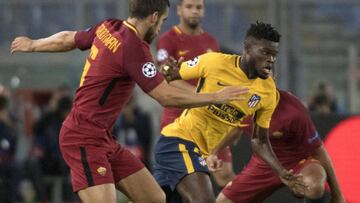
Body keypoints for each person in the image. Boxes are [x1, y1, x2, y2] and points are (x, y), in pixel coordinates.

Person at [10, 0, 248, 202]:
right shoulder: (133, 47)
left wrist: (33, 44)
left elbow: (69, 38)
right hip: (83, 137)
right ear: (154, 17)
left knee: (155, 198)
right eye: (163, 21)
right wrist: (214, 97)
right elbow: (164, 96)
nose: (161, 26)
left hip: (104, 138)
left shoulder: (109, 27)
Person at [154, 21, 304, 203]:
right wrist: (168, 68)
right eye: (265, 53)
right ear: (247, 49)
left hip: (199, 152)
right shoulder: (214, 62)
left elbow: (259, 140)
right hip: (178, 141)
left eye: (274, 55)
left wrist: (281, 172)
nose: (271, 59)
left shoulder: (267, 92)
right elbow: (170, 74)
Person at [211, 89, 345, 203]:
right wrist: (213, 152)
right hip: (263, 164)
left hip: (298, 162)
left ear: (273, 80)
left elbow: (318, 150)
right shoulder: (241, 104)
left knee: (314, 186)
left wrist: (337, 194)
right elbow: (235, 130)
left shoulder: (293, 110)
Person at [156, 0, 234, 187]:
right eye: (189, 7)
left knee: (225, 175)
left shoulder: (211, 41)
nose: (194, 11)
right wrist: (200, 96)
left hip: (210, 118)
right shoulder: (168, 39)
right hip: (179, 118)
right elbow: (166, 74)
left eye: (198, 7)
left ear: (204, 11)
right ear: (179, 10)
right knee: (185, 181)